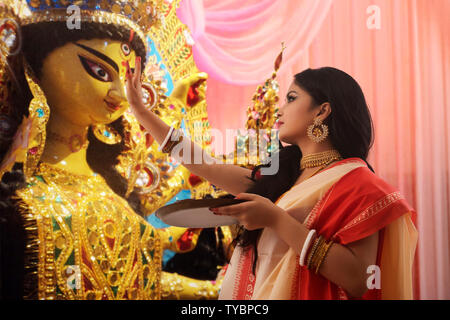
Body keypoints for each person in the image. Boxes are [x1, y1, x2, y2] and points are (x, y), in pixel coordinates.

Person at [125, 61, 418, 300]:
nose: (280, 110)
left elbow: (359, 279)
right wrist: (141, 111)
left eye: (291, 98)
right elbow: (205, 164)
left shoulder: (361, 187)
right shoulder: (283, 175)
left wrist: (276, 219)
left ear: (322, 111)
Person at [0, 0, 225, 300]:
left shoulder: (121, 197)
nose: (119, 94)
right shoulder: (17, 193)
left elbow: (144, 282)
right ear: (38, 62)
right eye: (100, 71)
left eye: (131, 79)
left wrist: (209, 293)